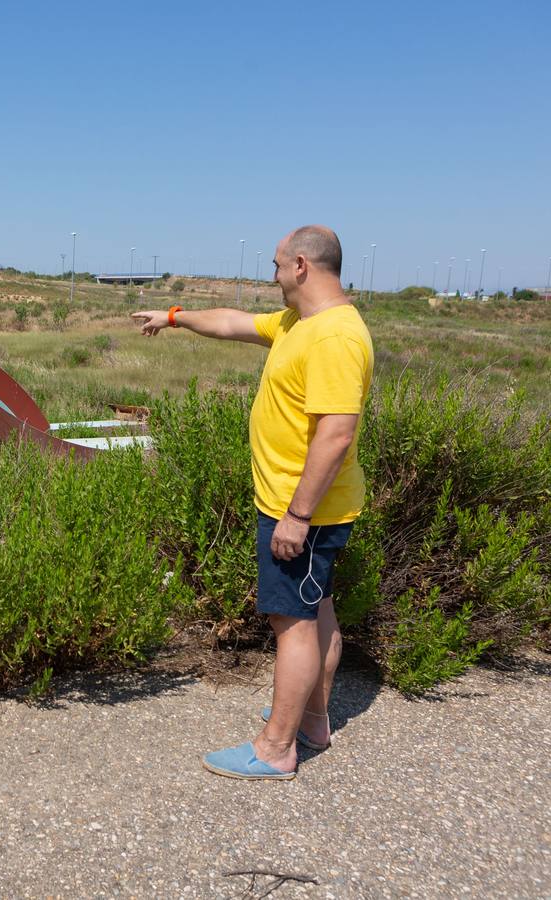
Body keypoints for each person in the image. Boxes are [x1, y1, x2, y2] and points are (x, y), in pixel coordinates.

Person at [131, 225, 373, 780]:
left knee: (291, 623)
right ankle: (312, 722)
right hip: (301, 506)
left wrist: (297, 516)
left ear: (302, 267)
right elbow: (234, 323)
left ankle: (275, 748)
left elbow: (335, 434)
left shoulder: (335, 337)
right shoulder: (301, 323)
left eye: (276, 264)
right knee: (317, 612)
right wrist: (173, 318)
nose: (272, 275)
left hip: (303, 511)